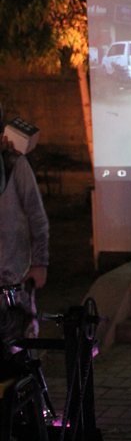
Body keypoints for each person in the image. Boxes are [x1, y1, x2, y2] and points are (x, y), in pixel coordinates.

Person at [0, 105, 49, 343]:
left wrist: (39, 263)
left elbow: (36, 215)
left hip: (12, 276)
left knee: (19, 349)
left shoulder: (13, 162)